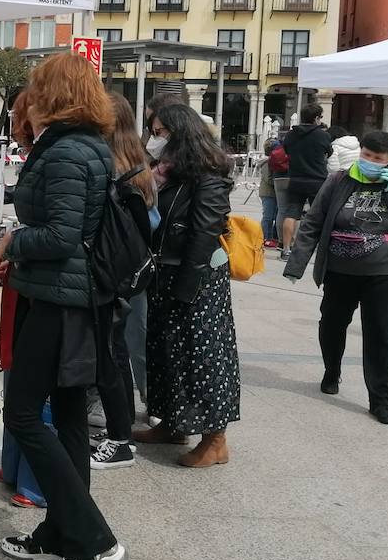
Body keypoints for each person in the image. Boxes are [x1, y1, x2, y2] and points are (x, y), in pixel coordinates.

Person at [0, 53, 126, 560]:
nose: (31, 92)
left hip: (59, 301)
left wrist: (12, 242)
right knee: (67, 417)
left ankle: (94, 540)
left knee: (24, 414)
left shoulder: (68, 151)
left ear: (55, 93)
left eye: (37, 86)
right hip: (69, 297)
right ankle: (59, 531)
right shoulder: (84, 145)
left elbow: (63, 236)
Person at [284, 131, 388, 424]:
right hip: (340, 270)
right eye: (366, 155)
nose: (370, 162)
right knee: (331, 325)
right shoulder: (339, 180)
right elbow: (314, 220)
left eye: (377, 159)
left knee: (381, 336)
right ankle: (332, 370)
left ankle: (380, 400)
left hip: (384, 271)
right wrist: (296, 263)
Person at [135, 102, 241, 466]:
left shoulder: (208, 172)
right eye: (154, 130)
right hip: (164, 271)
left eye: (161, 131)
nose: (155, 137)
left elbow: (204, 231)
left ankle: (216, 439)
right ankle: (172, 422)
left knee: (203, 355)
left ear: (181, 133)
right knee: (165, 351)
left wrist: (187, 285)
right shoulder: (166, 171)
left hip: (196, 276)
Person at [89, 93, 156, 471]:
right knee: (118, 350)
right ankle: (122, 429)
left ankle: (121, 438)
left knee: (113, 353)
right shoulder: (137, 162)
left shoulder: (113, 167)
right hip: (129, 272)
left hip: (112, 274)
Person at [0, 91, 49, 508]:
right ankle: (14, 466)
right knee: (17, 379)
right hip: (26, 275)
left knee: (35, 390)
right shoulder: (40, 152)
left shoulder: (59, 155)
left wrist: (16, 239)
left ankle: (34, 481)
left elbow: (58, 229)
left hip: (45, 283)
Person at [280, 104, 332, 259]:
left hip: (296, 178)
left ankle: (286, 249)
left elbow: (287, 151)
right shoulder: (322, 135)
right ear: (316, 118)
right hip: (317, 180)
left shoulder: (291, 134)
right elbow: (328, 152)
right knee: (319, 215)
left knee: (291, 214)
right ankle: (318, 249)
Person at [259, 138, 280, 248]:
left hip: (272, 192)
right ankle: (264, 237)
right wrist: (279, 182)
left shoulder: (272, 161)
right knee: (268, 216)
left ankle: (270, 237)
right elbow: (268, 178)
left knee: (273, 215)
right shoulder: (267, 163)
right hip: (268, 192)